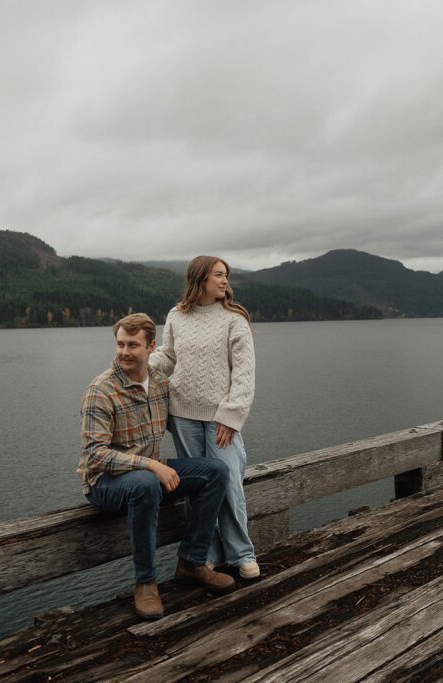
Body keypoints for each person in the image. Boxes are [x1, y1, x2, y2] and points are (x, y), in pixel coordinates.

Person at [78, 312, 235, 620]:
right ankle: (146, 582)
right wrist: (150, 464)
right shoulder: (102, 390)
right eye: (120, 344)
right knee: (147, 483)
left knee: (215, 472)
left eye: (132, 345)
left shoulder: (161, 384)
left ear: (151, 347)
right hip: (105, 484)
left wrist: (229, 419)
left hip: (147, 474)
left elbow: (192, 409)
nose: (124, 351)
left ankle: (191, 562)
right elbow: (93, 455)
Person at [150, 256, 260, 579]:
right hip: (182, 414)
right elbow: (167, 357)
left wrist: (231, 415)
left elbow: (244, 373)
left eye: (226, 276)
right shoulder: (177, 316)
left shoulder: (234, 319)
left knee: (228, 483)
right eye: (218, 275)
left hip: (220, 418)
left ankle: (242, 553)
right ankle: (206, 553)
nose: (225, 281)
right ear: (200, 278)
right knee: (201, 488)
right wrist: (140, 369)